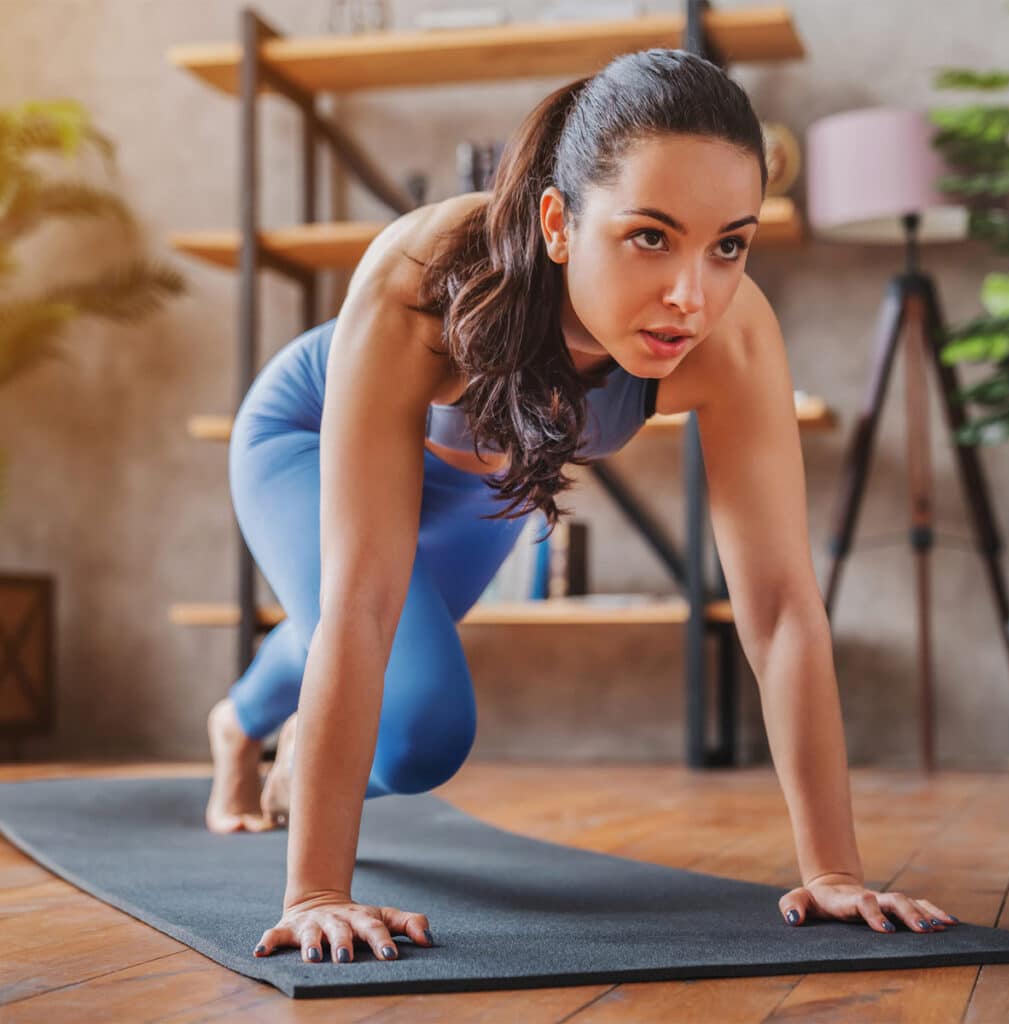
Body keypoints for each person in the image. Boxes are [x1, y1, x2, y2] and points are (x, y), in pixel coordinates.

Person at [204, 48, 960, 966]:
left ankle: (247, 718)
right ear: (559, 223)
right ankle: (248, 724)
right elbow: (363, 602)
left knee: (406, 736)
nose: (692, 294)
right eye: (651, 235)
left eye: (729, 243)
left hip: (487, 477)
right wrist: (318, 893)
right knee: (419, 727)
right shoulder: (423, 276)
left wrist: (834, 871)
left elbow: (782, 609)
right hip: (307, 441)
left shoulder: (732, 336)